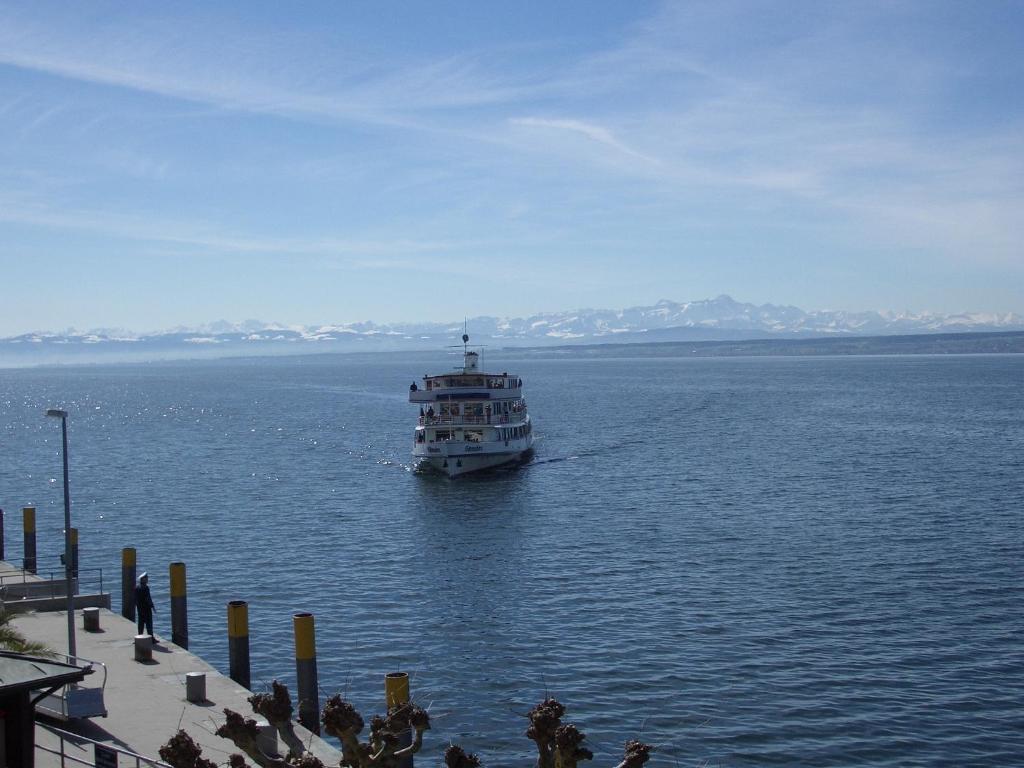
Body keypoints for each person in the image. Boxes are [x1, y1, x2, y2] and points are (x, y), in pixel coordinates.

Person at [135, 572, 156, 642]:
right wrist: (152, 606)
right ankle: (151, 638)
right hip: (146, 609)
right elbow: (148, 598)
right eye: (146, 578)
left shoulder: (137, 587)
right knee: (149, 624)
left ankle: (139, 637)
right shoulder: (146, 588)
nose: (147, 579)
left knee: (140, 623)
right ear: (143, 579)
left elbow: (135, 599)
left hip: (140, 609)